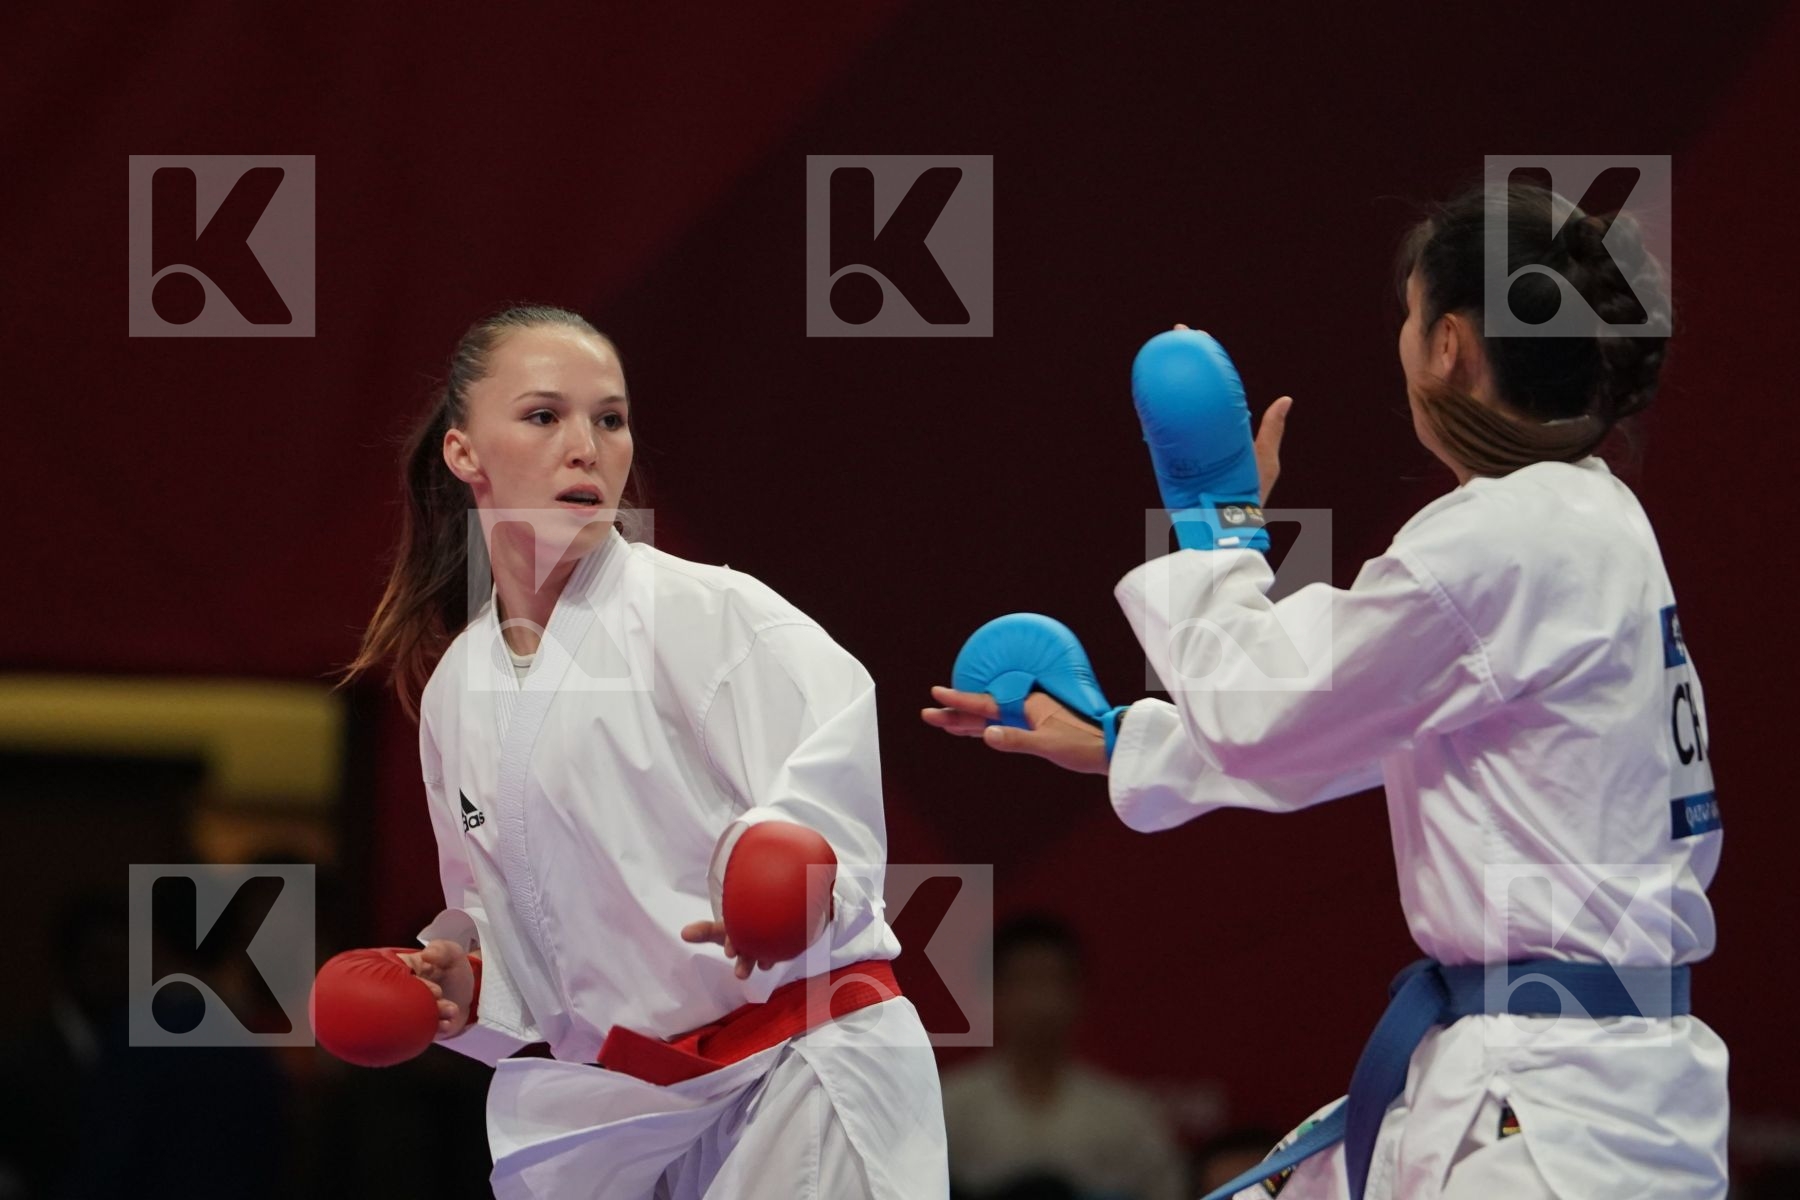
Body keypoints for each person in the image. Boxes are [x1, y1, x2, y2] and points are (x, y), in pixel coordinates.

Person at [922, 182, 1725, 1199]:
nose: (1402, 342)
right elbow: (1349, 731)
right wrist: (1125, 742)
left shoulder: (1503, 536)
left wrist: (1219, 530)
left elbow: (1269, 714)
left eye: (1408, 313)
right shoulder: (1589, 520)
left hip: (1547, 1102)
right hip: (1577, 1076)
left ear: (1449, 344)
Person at [338, 305, 947, 1198]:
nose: (585, 446)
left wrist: (787, 889)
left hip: (800, 1074)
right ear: (464, 452)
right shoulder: (457, 690)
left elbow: (829, 814)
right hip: (624, 1113)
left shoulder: (709, 614)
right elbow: (513, 930)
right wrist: (464, 988)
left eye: (610, 419)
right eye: (545, 416)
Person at [939, 913, 1185, 1200]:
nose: (1039, 1002)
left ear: (1079, 994)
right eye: (1023, 982)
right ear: (992, 994)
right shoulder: (949, 1105)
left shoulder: (1127, 1114)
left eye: (1052, 981)